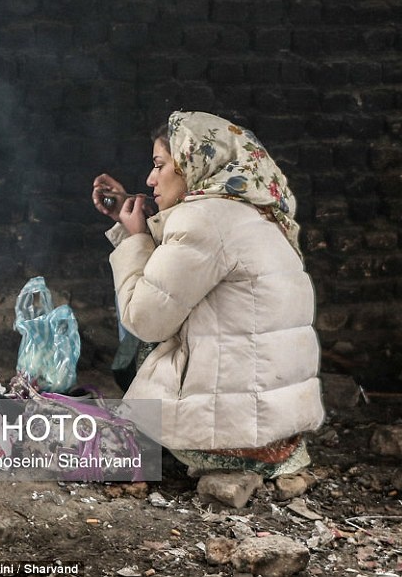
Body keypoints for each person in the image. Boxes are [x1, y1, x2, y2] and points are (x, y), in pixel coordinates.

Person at [91, 111, 325, 477]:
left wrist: (136, 238)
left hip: (231, 435)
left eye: (160, 165)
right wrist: (136, 224)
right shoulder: (258, 213)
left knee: (138, 342)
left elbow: (145, 320)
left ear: (192, 163)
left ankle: (183, 447)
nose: (151, 179)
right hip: (277, 435)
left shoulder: (203, 218)